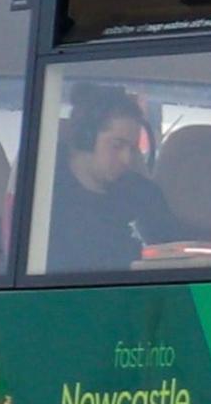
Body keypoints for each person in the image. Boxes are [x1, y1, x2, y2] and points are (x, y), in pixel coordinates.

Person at [45, 85, 177, 271]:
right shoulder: (43, 194)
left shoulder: (145, 197)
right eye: (117, 145)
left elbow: (174, 263)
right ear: (86, 138)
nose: (127, 159)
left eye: (132, 148)